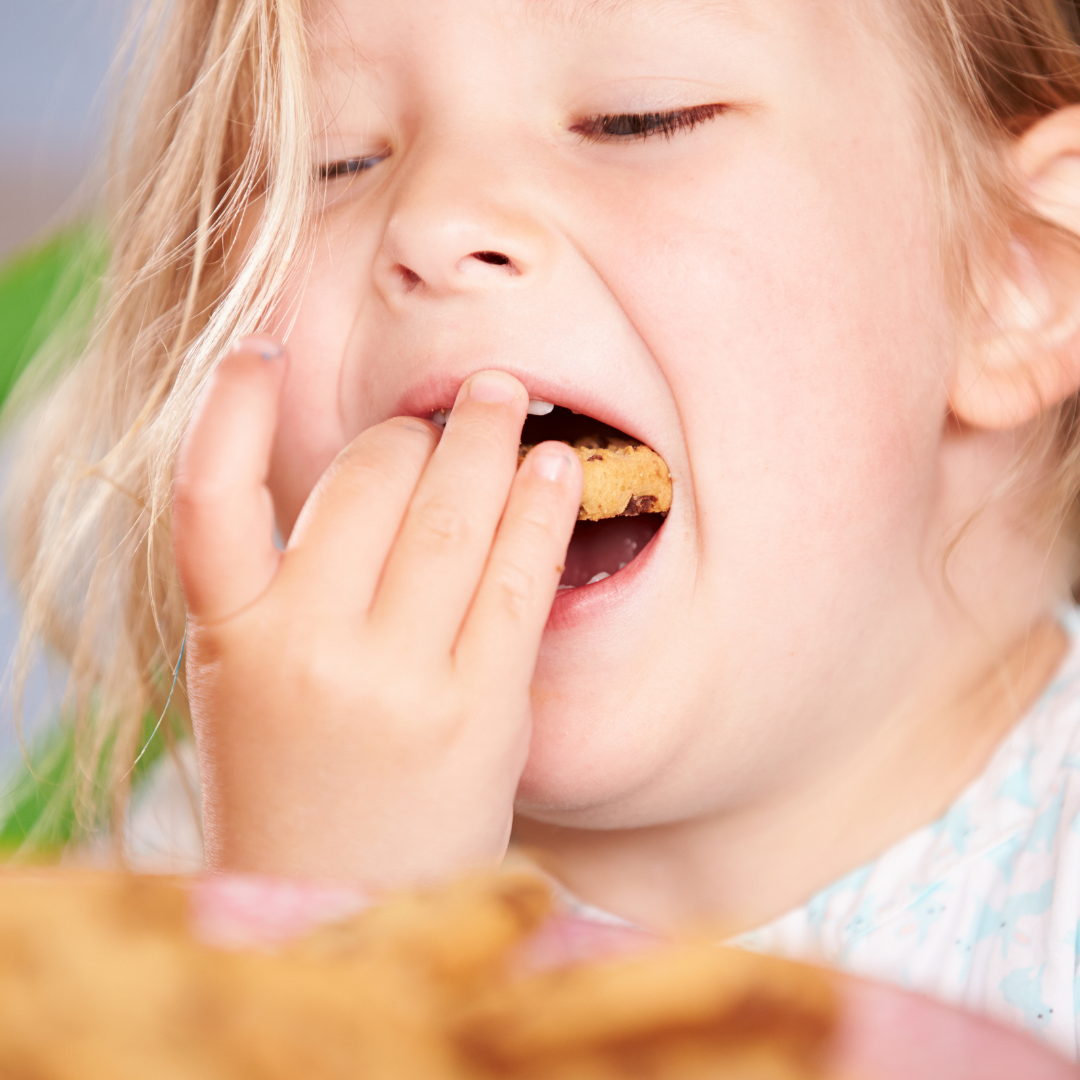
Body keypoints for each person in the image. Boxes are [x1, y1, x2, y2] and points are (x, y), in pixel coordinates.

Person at [10, 0, 1080, 1060]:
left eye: (637, 118)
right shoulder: (207, 857)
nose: (434, 220)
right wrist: (319, 935)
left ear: (1014, 276)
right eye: (330, 160)